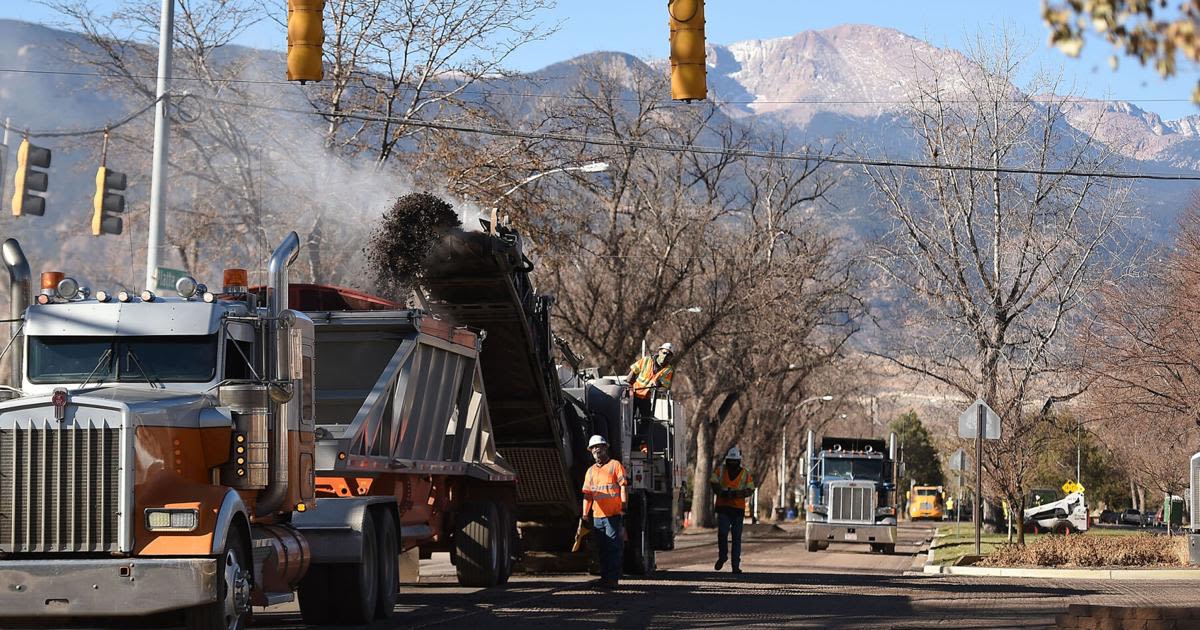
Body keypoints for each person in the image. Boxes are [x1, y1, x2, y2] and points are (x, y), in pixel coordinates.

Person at [581, 434, 628, 588]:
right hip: (598, 517)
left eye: (599, 447)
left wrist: (623, 506)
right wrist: (585, 514)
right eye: (594, 448)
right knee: (602, 549)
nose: (597, 450)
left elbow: (623, 486)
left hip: (613, 515)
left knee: (612, 547)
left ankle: (612, 579)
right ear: (591, 451)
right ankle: (605, 577)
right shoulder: (590, 472)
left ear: (605, 448)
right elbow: (587, 495)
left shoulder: (615, 466)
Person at [709, 446, 755, 574]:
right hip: (723, 508)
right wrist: (721, 492)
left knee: (736, 538)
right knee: (722, 534)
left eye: (735, 461)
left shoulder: (745, 474)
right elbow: (713, 481)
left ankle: (735, 566)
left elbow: (751, 488)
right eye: (731, 461)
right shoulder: (721, 471)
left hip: (737, 509)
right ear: (727, 460)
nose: (733, 463)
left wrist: (737, 494)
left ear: (739, 461)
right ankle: (722, 556)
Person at [627, 343, 676, 420]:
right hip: (634, 394)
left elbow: (664, 386)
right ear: (659, 352)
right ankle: (631, 431)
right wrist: (629, 387)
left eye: (669, 354)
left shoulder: (668, 370)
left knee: (647, 419)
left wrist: (659, 384)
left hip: (646, 396)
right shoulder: (646, 360)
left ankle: (642, 432)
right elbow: (631, 374)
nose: (666, 355)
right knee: (630, 417)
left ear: (671, 357)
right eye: (664, 352)